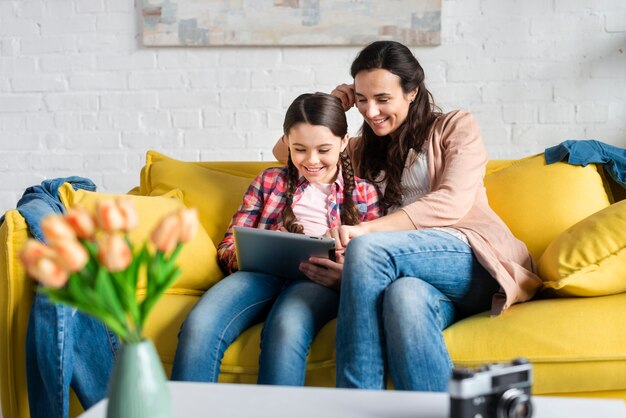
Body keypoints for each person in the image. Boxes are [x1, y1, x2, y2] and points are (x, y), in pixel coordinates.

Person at [273, 41, 542, 392]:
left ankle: (357, 405)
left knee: (367, 248)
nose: (371, 111)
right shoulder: (358, 149)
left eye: (383, 99)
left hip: (470, 256)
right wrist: (331, 105)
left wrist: (366, 234)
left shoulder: (455, 126)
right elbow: (286, 153)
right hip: (405, 271)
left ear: (412, 92)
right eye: (362, 99)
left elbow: (451, 203)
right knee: (404, 299)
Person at [170, 92, 382, 386]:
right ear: (286, 143)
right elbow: (229, 244)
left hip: (316, 283)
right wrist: (260, 246)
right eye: (299, 149)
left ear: (344, 142)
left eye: (323, 149)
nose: (311, 160)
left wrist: (343, 272)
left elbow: (373, 261)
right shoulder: (269, 181)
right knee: (200, 325)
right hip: (258, 275)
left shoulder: (365, 194)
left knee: (287, 328)